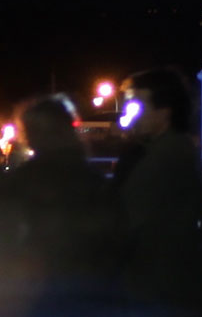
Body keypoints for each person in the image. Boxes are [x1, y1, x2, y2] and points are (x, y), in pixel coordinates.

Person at [0, 93, 123, 316]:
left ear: (29, 134)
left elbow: (8, 237)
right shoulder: (94, 180)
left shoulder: (20, 182)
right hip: (94, 290)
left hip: (36, 293)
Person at [114, 66, 202, 315]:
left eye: (138, 106)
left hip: (157, 287)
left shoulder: (165, 156)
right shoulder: (169, 150)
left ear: (164, 112)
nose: (131, 114)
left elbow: (124, 217)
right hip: (165, 282)